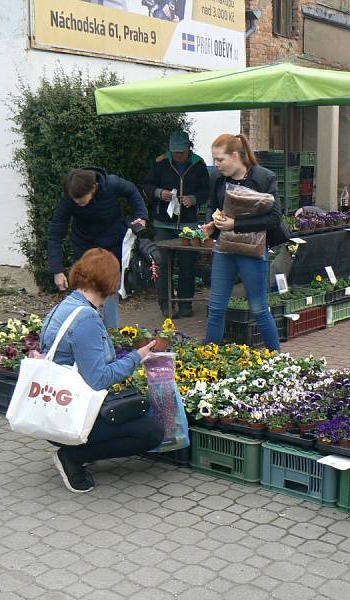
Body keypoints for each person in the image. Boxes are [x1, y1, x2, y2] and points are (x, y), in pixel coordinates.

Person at [40, 249, 163, 493]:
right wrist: (137, 357)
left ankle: (80, 448)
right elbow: (98, 380)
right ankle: (72, 456)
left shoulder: (66, 306)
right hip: (70, 416)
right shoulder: (86, 319)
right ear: (110, 282)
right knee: (152, 431)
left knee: (136, 410)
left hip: (52, 407)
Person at [200, 134, 281, 351]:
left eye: (220, 159)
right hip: (224, 250)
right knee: (216, 308)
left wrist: (236, 224)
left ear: (235, 156)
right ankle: (208, 360)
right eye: (214, 160)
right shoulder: (218, 179)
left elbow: (274, 218)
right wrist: (211, 223)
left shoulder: (264, 178)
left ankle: (278, 358)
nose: (216, 165)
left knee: (258, 309)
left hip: (253, 251)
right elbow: (211, 205)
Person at [48, 167, 148, 328]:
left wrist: (141, 216)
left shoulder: (111, 183)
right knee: (84, 293)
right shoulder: (69, 198)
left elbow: (132, 192)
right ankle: (85, 329)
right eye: (74, 200)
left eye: (81, 199)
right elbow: (56, 233)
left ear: (93, 188)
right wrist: (57, 270)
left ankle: (111, 334)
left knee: (110, 292)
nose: (77, 203)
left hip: (113, 245)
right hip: (84, 248)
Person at [143, 130, 210, 318]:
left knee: (188, 265)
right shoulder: (160, 163)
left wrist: (194, 199)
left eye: (181, 152)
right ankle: (166, 305)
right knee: (162, 264)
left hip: (188, 225)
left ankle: (185, 304)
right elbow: (147, 186)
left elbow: (206, 190)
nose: (178, 156)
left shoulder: (199, 164)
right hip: (163, 224)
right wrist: (158, 193)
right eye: (175, 152)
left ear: (189, 149)